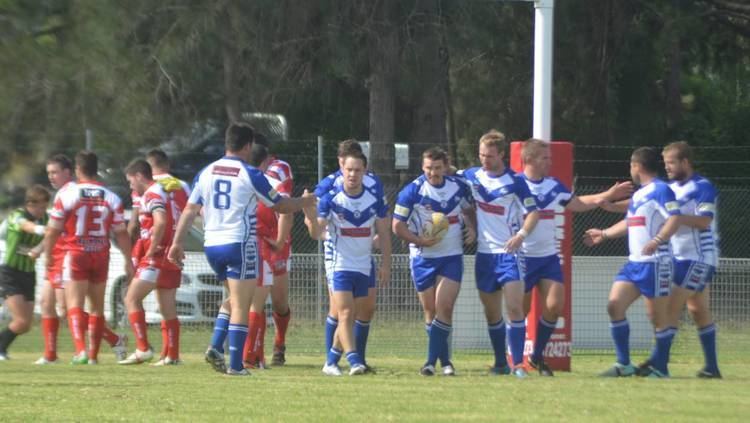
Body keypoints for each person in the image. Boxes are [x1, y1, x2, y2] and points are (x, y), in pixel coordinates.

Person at [167, 122, 315, 376]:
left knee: (233, 300)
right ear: (248, 146)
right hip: (240, 244)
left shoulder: (206, 171)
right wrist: (305, 201)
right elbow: (279, 205)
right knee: (241, 305)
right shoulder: (250, 173)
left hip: (212, 246)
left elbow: (191, 209)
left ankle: (215, 347)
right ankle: (236, 365)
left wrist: (177, 243)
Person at [518, 138, 632, 376]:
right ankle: (516, 363)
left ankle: (537, 356)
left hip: (548, 257)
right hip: (522, 257)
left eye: (550, 157)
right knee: (520, 310)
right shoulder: (515, 184)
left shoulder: (553, 185)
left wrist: (607, 195)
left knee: (554, 305)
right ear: (529, 159)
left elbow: (577, 203)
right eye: (544, 158)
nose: (550, 162)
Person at [584, 147, 683, 378]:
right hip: (635, 264)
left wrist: (658, 239)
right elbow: (630, 222)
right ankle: (624, 365)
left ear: (636, 165)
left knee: (658, 318)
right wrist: (604, 234)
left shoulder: (661, 190)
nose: (630, 169)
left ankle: (661, 369)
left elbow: (675, 218)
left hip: (656, 263)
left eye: (631, 165)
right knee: (614, 306)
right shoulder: (640, 194)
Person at [459, 130, 540, 378]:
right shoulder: (471, 176)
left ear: (502, 155)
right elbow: (449, 176)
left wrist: (521, 236)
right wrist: (470, 227)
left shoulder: (516, 182)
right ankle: (500, 363)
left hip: (509, 253)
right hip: (484, 255)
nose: (485, 160)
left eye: (490, 156)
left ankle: (517, 364)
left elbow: (533, 213)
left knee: (515, 308)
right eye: (482, 155)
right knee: (492, 313)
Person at [33, 154, 128, 365]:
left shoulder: (69, 193)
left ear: (72, 171)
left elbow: (54, 230)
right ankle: (51, 354)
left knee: (67, 308)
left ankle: (100, 344)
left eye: (55, 172)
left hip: (71, 253)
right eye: (49, 173)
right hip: (85, 252)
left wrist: (46, 252)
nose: (51, 177)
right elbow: (120, 231)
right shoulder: (108, 196)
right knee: (47, 303)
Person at [304, 149, 391, 376]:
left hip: (364, 265)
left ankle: (331, 361)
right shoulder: (331, 200)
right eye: (348, 170)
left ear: (364, 172)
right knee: (344, 312)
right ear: (342, 170)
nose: (352, 174)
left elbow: (384, 233)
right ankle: (354, 361)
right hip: (340, 264)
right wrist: (311, 216)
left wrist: (385, 264)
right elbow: (316, 233)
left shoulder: (373, 200)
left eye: (357, 170)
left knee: (356, 314)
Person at [392, 147, 475, 376]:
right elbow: (397, 226)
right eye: (428, 168)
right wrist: (419, 240)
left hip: (451, 256)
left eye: (437, 168)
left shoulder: (459, 187)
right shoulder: (412, 191)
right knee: (430, 312)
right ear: (422, 167)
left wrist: (473, 229)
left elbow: (471, 211)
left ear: (445, 167)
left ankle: (431, 362)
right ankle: (445, 361)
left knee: (444, 307)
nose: (433, 173)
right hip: (422, 258)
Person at [118, 159, 188, 366]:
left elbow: (161, 221)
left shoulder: (152, 193)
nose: (131, 187)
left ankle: (143, 348)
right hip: (171, 255)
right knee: (167, 308)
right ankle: (172, 356)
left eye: (131, 182)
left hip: (157, 256)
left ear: (139, 176)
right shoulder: (170, 191)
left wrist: (150, 248)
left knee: (131, 299)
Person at [242, 143, 295, 369]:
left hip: (276, 244)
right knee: (254, 301)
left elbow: (286, 209)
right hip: (253, 244)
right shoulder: (241, 176)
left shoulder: (277, 172)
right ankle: (255, 354)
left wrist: (281, 240)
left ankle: (279, 344)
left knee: (279, 302)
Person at [0, 186, 50, 360]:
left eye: (45, 207)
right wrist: (43, 230)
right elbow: (26, 226)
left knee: (26, 324)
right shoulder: (17, 215)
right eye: (40, 207)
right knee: (20, 320)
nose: (42, 211)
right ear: (29, 204)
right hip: (9, 273)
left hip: (28, 273)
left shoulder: (45, 218)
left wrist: (39, 248)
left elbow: (50, 239)